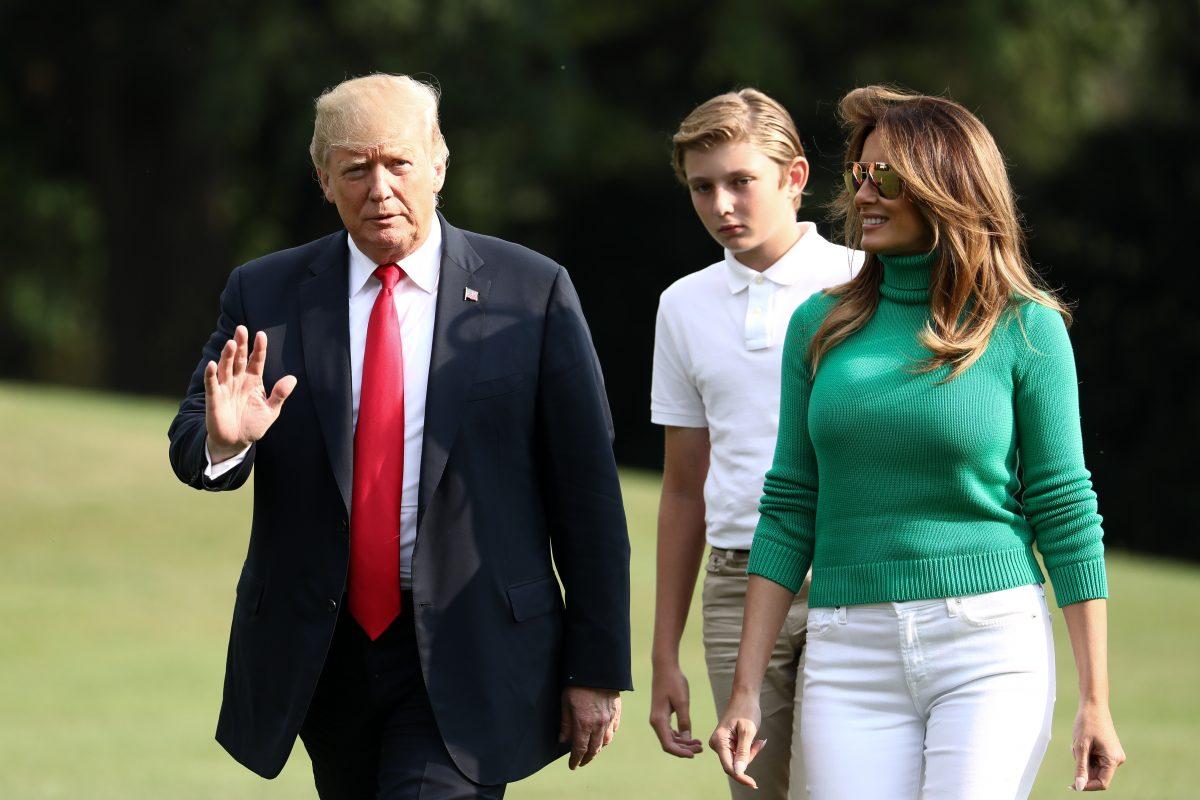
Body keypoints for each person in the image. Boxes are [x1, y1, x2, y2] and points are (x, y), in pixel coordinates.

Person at [167, 73, 632, 800]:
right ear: (324, 180)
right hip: (326, 651)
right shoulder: (266, 292)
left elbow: (589, 497)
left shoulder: (529, 292)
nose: (379, 187)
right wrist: (229, 443)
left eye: (399, 163)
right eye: (355, 168)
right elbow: (194, 442)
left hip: (470, 641)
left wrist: (597, 667)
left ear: (439, 165)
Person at [710, 86, 1126, 798]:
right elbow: (789, 505)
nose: (865, 194)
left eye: (888, 178)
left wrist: (1096, 700)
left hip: (989, 645)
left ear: (946, 186)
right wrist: (746, 688)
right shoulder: (819, 327)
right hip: (847, 650)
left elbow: (1064, 508)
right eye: (860, 175)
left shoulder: (1025, 328)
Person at [648, 89, 861, 799]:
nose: (721, 205)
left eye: (741, 181)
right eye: (703, 188)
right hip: (736, 585)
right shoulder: (682, 305)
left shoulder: (864, 284)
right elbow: (682, 489)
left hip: (853, 575)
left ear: (794, 177)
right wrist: (662, 652)